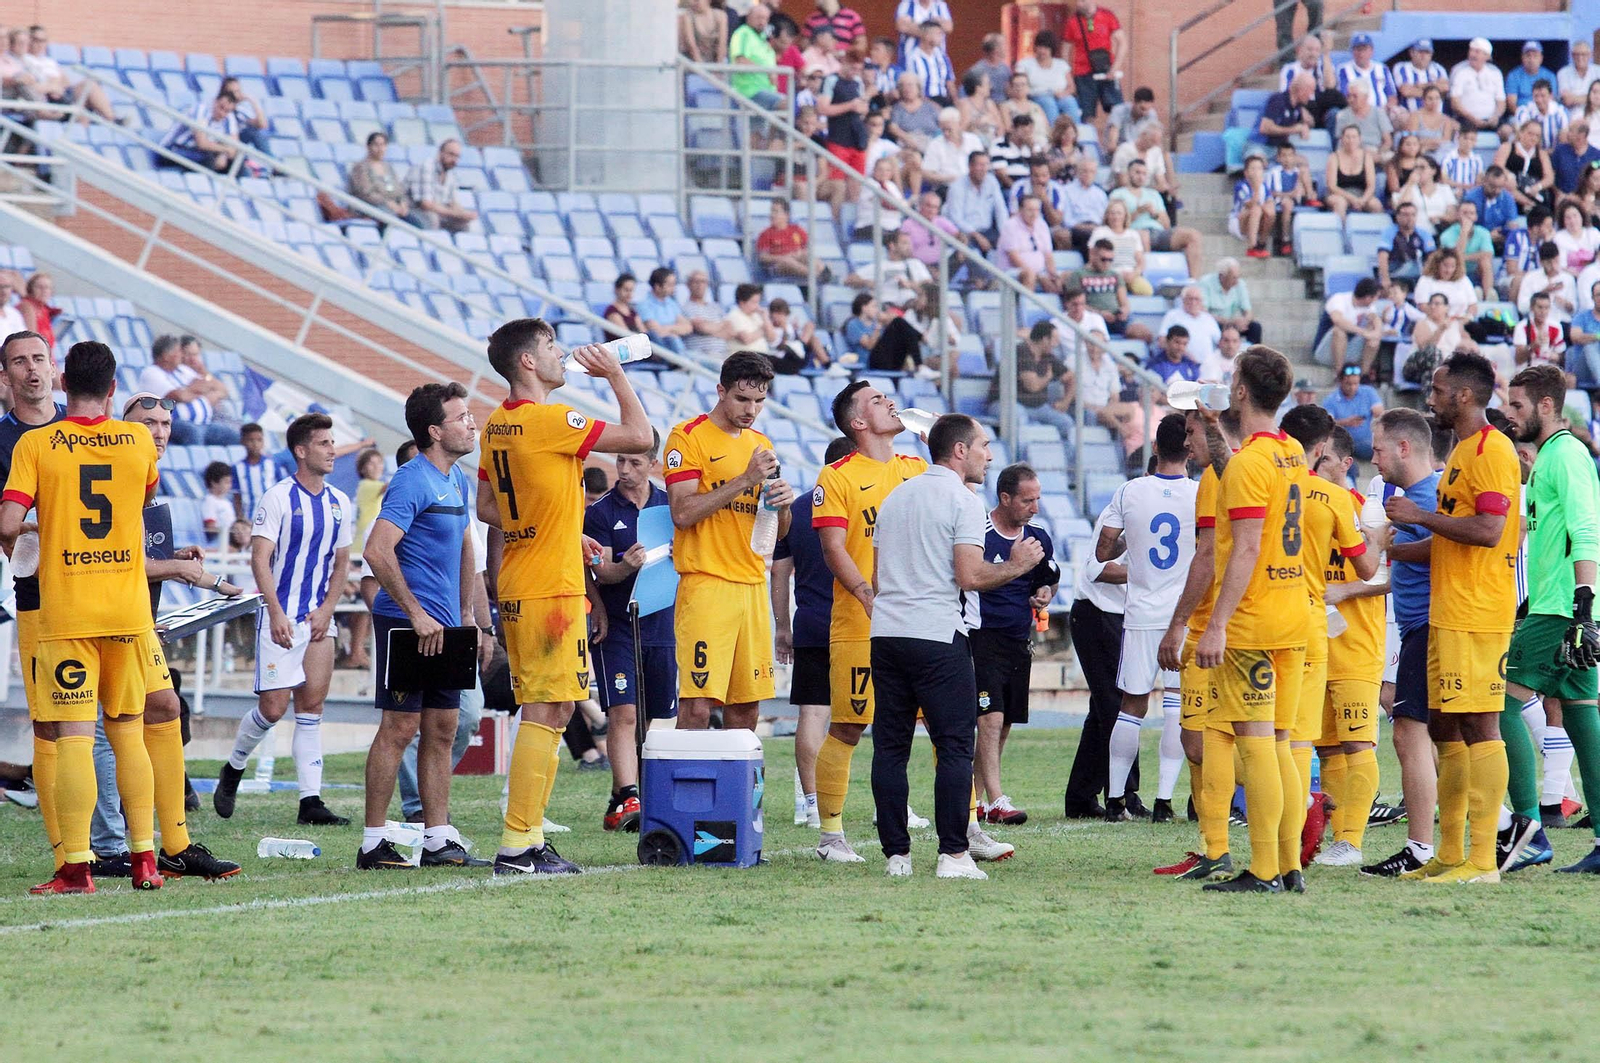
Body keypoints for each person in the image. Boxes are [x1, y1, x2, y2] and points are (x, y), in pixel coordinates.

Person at [477, 323, 652, 874]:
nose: (561, 355)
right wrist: (615, 373)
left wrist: (560, 530)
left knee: (554, 710)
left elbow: (487, 506)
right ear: (529, 361)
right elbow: (640, 436)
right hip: (549, 588)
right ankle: (517, 845)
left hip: (526, 579)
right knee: (547, 710)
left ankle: (528, 838)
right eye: (551, 347)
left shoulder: (497, 423)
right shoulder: (550, 419)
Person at [0, 341, 162, 895]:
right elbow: (143, 500)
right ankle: (145, 860)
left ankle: (76, 867)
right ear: (114, 389)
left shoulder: (36, 443)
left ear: (63, 382)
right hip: (127, 609)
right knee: (129, 734)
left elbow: (8, 522)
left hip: (66, 609)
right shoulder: (138, 440)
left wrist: (37, 534)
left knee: (72, 738)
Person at [870, 414, 1037, 879]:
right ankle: (953, 854)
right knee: (955, 746)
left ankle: (897, 856)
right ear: (960, 450)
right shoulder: (963, 500)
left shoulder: (895, 496)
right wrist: (1017, 565)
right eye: (983, 445)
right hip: (937, 635)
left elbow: (878, 577)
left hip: (887, 632)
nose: (989, 455)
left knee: (890, 747)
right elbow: (970, 575)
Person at [87, 393, 243, 882]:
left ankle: (172, 845)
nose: (158, 432)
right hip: (102, 617)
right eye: (147, 422)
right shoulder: (116, 471)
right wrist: (180, 569)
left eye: (165, 424)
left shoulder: (147, 477)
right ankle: (107, 846)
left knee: (164, 708)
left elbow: (133, 552)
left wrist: (172, 558)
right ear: (121, 425)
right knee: (106, 727)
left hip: (136, 616)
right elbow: (110, 558)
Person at [1383, 353, 1524, 882]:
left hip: (1478, 611)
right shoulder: (1462, 450)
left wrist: (1420, 516)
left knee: (1480, 724)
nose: (1431, 399)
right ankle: (1448, 853)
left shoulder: (1491, 450)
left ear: (1464, 395)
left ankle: (1484, 858)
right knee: (1445, 725)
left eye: (1438, 391)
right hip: (1447, 608)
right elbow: (1452, 536)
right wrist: (1396, 548)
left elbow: (1489, 530)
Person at [1193, 345, 1308, 894]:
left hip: (1253, 619)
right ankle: (1289, 866)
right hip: (1293, 615)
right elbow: (1240, 470)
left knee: (1255, 743)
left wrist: (1216, 624)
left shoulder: (1249, 463)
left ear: (1240, 390)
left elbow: (1244, 549)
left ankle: (1263, 870)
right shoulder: (1290, 452)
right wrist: (1213, 426)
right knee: (1280, 743)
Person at [211, 413, 352, 828]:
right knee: (273, 709)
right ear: (301, 451)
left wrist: (328, 609)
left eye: (332, 442)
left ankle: (311, 802)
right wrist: (274, 611)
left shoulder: (339, 502)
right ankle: (234, 767)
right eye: (324, 443)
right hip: (281, 616)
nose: (332, 450)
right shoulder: (277, 497)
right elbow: (260, 558)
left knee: (311, 708)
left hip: (318, 618)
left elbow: (342, 562)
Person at [810, 382, 928, 863]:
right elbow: (833, 547)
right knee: (849, 726)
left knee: (947, 726)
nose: (891, 402)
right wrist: (865, 594)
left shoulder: (918, 468)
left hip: (921, 619)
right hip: (862, 622)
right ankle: (830, 836)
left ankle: (967, 828)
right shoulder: (837, 476)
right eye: (878, 400)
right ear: (858, 422)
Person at [1502, 364, 1600, 873]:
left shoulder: (1567, 455)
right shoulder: (1548, 458)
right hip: (1555, 604)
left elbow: (1586, 528)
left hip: (1563, 609)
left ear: (1546, 405)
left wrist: (1584, 604)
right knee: (1582, 715)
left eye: (1517, 405)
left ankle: (1527, 830)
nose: (1510, 414)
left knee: (1497, 703)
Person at [665, 352, 792, 734]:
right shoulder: (688, 436)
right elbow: (682, 513)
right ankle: (689, 775)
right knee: (697, 706)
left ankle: (735, 778)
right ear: (721, 391)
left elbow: (778, 532)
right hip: (706, 584)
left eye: (759, 401)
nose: (751, 409)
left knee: (747, 707)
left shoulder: (761, 443)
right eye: (742, 399)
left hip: (751, 586)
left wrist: (783, 506)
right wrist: (744, 480)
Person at [1151, 407, 1238, 879]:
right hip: (1240, 620)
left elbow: (1207, 556)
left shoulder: (1215, 479)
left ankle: (1301, 801)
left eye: (1191, 432)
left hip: (1213, 626)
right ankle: (1211, 845)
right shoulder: (1258, 465)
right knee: (1212, 739)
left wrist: (1179, 623)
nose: (1186, 443)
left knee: (1204, 741)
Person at [1098, 415, 1197, 824]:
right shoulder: (1200, 493)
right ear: (1189, 449)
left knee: (1132, 706)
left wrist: (1132, 540)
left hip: (1141, 611)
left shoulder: (1130, 490)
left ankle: (1115, 799)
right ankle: (1163, 801)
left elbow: (1103, 551)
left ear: (1154, 448)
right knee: (1176, 705)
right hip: (1183, 615)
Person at [1299, 421, 1384, 868]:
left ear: (1346, 464)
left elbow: (1389, 575)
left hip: (1357, 646)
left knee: (1357, 745)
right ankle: (1336, 839)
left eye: (1326, 459)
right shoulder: (1304, 508)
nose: (1317, 466)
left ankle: (1352, 840)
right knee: (1328, 749)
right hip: (1314, 646)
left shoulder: (1365, 511)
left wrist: (1345, 591)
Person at [585, 431, 676, 833]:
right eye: (619, 460)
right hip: (619, 624)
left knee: (657, 715)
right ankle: (628, 796)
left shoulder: (670, 505)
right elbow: (599, 570)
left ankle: (628, 795)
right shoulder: (601, 512)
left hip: (662, 621)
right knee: (623, 712)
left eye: (634, 462)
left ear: (653, 463)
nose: (624, 469)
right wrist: (625, 568)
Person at [0, 332, 64, 879]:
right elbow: (6, 530)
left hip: (103, 586)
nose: (31, 369)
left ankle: (126, 837)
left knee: (128, 713)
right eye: (19, 362)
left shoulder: (80, 429)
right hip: (36, 593)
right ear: (6, 377)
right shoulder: (3, 442)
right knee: (50, 718)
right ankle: (67, 847)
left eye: (39, 358)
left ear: (54, 366)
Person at [970, 463, 1056, 827]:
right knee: (990, 718)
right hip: (981, 636)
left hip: (1018, 639)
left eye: (1037, 499)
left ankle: (975, 800)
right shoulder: (979, 534)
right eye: (1027, 500)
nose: (1035, 507)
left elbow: (1048, 579)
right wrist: (1011, 567)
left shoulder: (1038, 538)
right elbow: (969, 577)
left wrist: (1044, 592)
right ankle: (997, 799)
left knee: (1003, 723)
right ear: (1005, 498)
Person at [777, 435, 849, 829]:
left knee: (812, 713)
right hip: (855, 622)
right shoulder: (860, 501)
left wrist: (782, 626)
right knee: (878, 715)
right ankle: (891, 805)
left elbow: (780, 571)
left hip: (811, 622)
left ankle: (810, 801)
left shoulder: (798, 508)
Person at [1111, 157, 1204, 279]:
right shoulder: (1118, 194)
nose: (1141, 177)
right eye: (1137, 172)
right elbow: (1115, 222)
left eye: (1144, 173)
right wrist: (1137, 212)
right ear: (1129, 173)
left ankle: (1193, 281)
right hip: (1133, 233)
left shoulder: (1153, 194)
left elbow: (1167, 224)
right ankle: (1145, 279)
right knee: (1143, 236)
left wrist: (1154, 214)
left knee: (1193, 235)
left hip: (1158, 233)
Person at [989, 320, 1075, 440]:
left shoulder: (1048, 356)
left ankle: (1057, 452)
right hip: (1006, 403)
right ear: (1045, 339)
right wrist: (1047, 378)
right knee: (1019, 418)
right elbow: (1032, 386)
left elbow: (1071, 378)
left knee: (1066, 423)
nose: (1057, 344)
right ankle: (1019, 452)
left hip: (1038, 407)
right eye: (1055, 339)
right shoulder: (1021, 351)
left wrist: (1064, 402)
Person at [1059, 0, 1125, 133]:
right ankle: (1089, 139)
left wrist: (1115, 67)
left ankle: (1116, 139)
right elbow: (1065, 50)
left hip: (1106, 70)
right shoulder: (1073, 21)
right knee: (1086, 113)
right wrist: (1068, 76)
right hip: (1083, 73)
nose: (1078, 4)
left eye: (1082, 1)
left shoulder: (1107, 16)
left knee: (1117, 109)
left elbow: (1122, 42)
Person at [844, 229, 931, 309]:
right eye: (905, 243)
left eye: (910, 244)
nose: (909, 247)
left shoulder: (915, 263)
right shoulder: (879, 266)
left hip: (912, 306)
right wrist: (867, 282)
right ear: (892, 246)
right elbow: (848, 280)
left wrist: (910, 285)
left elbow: (929, 285)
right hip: (886, 307)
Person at [404, 139, 476, 233]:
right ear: (440, 153)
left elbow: (452, 202)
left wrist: (463, 214)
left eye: (457, 156)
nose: (454, 160)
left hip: (436, 211)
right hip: (411, 210)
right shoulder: (426, 167)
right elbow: (426, 204)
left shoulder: (450, 173)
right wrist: (455, 213)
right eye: (451, 154)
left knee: (463, 224)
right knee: (431, 218)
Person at [1314, 277, 1384, 373]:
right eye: (1376, 297)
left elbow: (1375, 318)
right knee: (1339, 330)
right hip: (1326, 350)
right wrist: (1363, 332)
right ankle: (1340, 373)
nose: (1377, 300)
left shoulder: (1369, 306)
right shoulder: (1339, 299)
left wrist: (1377, 332)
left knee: (1373, 333)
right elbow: (1338, 320)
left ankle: (1364, 374)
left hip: (1348, 348)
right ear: (1368, 298)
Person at [158, 89, 239, 173]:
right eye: (221, 107)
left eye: (227, 111)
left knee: (236, 164)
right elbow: (202, 143)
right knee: (208, 160)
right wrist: (225, 150)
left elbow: (234, 148)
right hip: (171, 149)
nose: (222, 113)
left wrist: (223, 155)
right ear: (215, 101)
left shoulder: (229, 117)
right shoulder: (200, 110)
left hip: (196, 152)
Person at [998, 193, 1062, 294]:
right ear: (1020, 210)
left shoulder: (1041, 224)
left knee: (1064, 278)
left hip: (1040, 272)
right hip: (1013, 272)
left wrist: (1053, 275)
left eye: (1037, 210)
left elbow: (1048, 255)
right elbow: (1014, 258)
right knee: (1029, 274)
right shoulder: (1010, 226)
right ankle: (1027, 304)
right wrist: (1038, 276)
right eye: (1030, 210)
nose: (1034, 214)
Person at [1014, 29, 1078, 126]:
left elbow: (1071, 87)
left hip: (1059, 96)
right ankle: (1053, 131)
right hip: (1037, 96)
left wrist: (1063, 93)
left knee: (1070, 102)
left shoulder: (1061, 64)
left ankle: (1074, 131)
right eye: (1040, 47)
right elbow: (1020, 83)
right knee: (1048, 103)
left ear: (1052, 49)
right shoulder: (1025, 64)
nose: (1042, 51)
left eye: (1046, 48)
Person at [1495, 119, 1556, 215]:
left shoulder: (1542, 154)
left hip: (1533, 192)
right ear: (1521, 133)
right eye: (1530, 134)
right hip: (1511, 189)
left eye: (1537, 136)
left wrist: (1538, 186)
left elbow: (1549, 177)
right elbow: (1498, 166)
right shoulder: (1507, 147)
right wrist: (1509, 175)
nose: (1533, 138)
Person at [729, 4, 782, 111]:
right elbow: (740, 61)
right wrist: (767, 71)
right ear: (749, 17)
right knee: (789, 105)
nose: (762, 22)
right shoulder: (743, 33)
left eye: (765, 19)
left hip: (767, 91)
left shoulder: (763, 39)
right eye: (758, 17)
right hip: (749, 92)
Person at [231, 421, 287, 522]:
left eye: (259, 440)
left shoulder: (272, 464)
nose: (255, 444)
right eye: (251, 440)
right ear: (243, 441)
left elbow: (282, 491)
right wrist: (240, 518)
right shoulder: (237, 468)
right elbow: (237, 496)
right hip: (249, 519)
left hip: (272, 517)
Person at [1325, 365, 1383, 460]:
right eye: (1348, 384)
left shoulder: (1368, 392)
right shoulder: (1331, 400)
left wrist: (1376, 413)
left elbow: (1380, 412)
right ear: (1340, 382)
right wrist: (1345, 422)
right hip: (1344, 443)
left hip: (1367, 441)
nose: (1352, 387)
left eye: (1356, 384)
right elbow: (1327, 423)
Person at [1438, 198, 1494, 296]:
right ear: (1458, 215)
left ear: (1476, 216)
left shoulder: (1483, 232)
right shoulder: (1447, 235)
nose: (1468, 216)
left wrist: (1464, 257)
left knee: (1485, 262)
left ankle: (1488, 296)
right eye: (1464, 213)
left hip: (1476, 270)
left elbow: (1488, 254)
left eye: (1471, 213)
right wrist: (1464, 232)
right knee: (1452, 263)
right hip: (1454, 270)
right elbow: (1455, 257)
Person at [1451, 37, 1508, 132]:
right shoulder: (1460, 71)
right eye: (1471, 50)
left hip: (1491, 120)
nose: (1472, 54)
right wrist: (1472, 118)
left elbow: (1501, 102)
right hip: (1466, 119)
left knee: (1506, 131)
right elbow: (1455, 102)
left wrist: (1496, 116)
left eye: (1477, 52)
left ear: (1487, 56)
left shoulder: (1495, 72)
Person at [1158, 284, 1223, 366]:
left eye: (1197, 299)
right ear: (1183, 300)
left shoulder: (1208, 318)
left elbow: (1220, 342)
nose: (1193, 302)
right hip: (1181, 364)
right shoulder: (1172, 316)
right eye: (1190, 299)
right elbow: (1162, 341)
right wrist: (1184, 354)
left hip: (1207, 366)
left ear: (1202, 302)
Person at [637, 267, 693, 356]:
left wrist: (669, 329)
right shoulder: (644, 305)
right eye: (670, 285)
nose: (674, 288)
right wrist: (677, 329)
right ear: (657, 287)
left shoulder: (672, 303)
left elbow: (688, 328)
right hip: (665, 353)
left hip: (683, 351)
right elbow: (657, 332)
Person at [1377, 201, 1435, 287]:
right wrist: (1385, 279)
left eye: (1413, 215)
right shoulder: (1389, 232)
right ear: (1397, 217)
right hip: (1395, 276)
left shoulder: (1424, 233)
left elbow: (1432, 257)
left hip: (1419, 277)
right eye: (1406, 215)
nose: (1410, 218)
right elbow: (1382, 256)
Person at [1230, 155, 1276, 260]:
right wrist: (1256, 189)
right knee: (1256, 209)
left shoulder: (1264, 186)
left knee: (1270, 213)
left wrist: (1266, 208)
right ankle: (1252, 247)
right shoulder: (1241, 186)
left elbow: (1270, 204)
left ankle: (1262, 243)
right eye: (1253, 168)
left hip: (1256, 221)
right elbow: (1250, 204)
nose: (1256, 172)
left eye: (1259, 168)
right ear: (1246, 173)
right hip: (1239, 222)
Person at [755, 199, 813, 281]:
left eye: (776, 212)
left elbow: (807, 248)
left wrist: (799, 254)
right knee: (787, 261)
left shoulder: (796, 230)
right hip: (778, 265)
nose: (772, 215)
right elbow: (763, 257)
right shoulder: (765, 234)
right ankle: (813, 276)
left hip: (797, 260)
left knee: (809, 257)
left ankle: (823, 273)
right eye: (771, 211)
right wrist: (783, 257)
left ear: (786, 215)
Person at [682, 270, 732, 360]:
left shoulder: (716, 307)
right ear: (688, 285)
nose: (700, 285)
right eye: (696, 282)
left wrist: (710, 328)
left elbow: (730, 331)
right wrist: (721, 325)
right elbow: (702, 328)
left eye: (703, 282)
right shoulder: (686, 308)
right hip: (702, 354)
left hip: (723, 354)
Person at [905, 188, 960, 267]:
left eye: (935, 207)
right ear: (920, 205)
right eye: (928, 206)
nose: (931, 210)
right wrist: (928, 268)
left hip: (942, 264)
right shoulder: (908, 224)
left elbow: (959, 235)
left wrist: (961, 249)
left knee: (968, 254)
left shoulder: (941, 220)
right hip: (919, 266)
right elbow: (906, 252)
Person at [905, 19, 955, 106]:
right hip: (923, 101)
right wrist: (931, 106)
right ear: (926, 35)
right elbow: (913, 87)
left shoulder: (942, 56)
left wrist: (956, 102)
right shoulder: (913, 58)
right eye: (938, 34)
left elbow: (949, 82)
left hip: (943, 99)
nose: (941, 38)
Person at [1393, 37, 1449, 113]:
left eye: (1427, 52)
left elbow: (1445, 88)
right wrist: (1434, 88)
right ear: (1411, 53)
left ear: (1431, 54)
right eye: (1420, 52)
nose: (1423, 56)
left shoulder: (1438, 68)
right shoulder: (1402, 67)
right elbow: (1406, 91)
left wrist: (1419, 86)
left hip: (1436, 115)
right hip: (1409, 115)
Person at [1516, 79, 1570, 151]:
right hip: (1532, 153)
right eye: (1536, 96)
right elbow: (1521, 138)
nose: (1539, 100)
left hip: (1556, 153)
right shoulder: (1524, 111)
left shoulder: (1561, 111)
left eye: (1543, 96)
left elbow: (1565, 138)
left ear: (1550, 96)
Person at [1106, 85, 1160, 157]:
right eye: (1142, 109)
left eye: (1147, 110)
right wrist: (1133, 152)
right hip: (1119, 155)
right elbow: (1111, 146)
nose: (1144, 113)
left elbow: (1155, 142)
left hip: (1141, 155)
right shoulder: (1119, 111)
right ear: (1134, 102)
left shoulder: (1151, 114)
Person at [1507, 40, 1559, 113]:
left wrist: (1540, 116)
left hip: (1544, 114)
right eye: (1528, 55)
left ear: (1541, 58)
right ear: (1522, 57)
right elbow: (1511, 104)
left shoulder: (1549, 76)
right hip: (1521, 114)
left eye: (1535, 56)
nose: (1531, 59)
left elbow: (1552, 100)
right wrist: (1524, 117)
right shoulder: (1513, 75)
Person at [1552, 120, 1600, 194]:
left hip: (1586, 198)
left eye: (1571, 131)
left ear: (1582, 135)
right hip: (1562, 197)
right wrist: (1558, 193)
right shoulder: (1560, 151)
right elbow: (1551, 175)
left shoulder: (1596, 155)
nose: (1567, 134)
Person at [16, 272, 58, 354]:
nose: (44, 291)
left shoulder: (44, 309)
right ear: (31, 289)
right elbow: (32, 339)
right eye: (39, 287)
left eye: (47, 288)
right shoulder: (26, 306)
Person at [967, 32, 1012, 102]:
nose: (1007, 48)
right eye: (1004, 45)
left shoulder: (1005, 68)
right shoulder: (977, 71)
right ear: (996, 49)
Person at [602, 273, 643, 341]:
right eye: (626, 290)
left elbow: (643, 331)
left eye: (631, 290)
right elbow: (626, 336)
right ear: (617, 290)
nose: (629, 294)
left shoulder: (632, 311)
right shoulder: (612, 311)